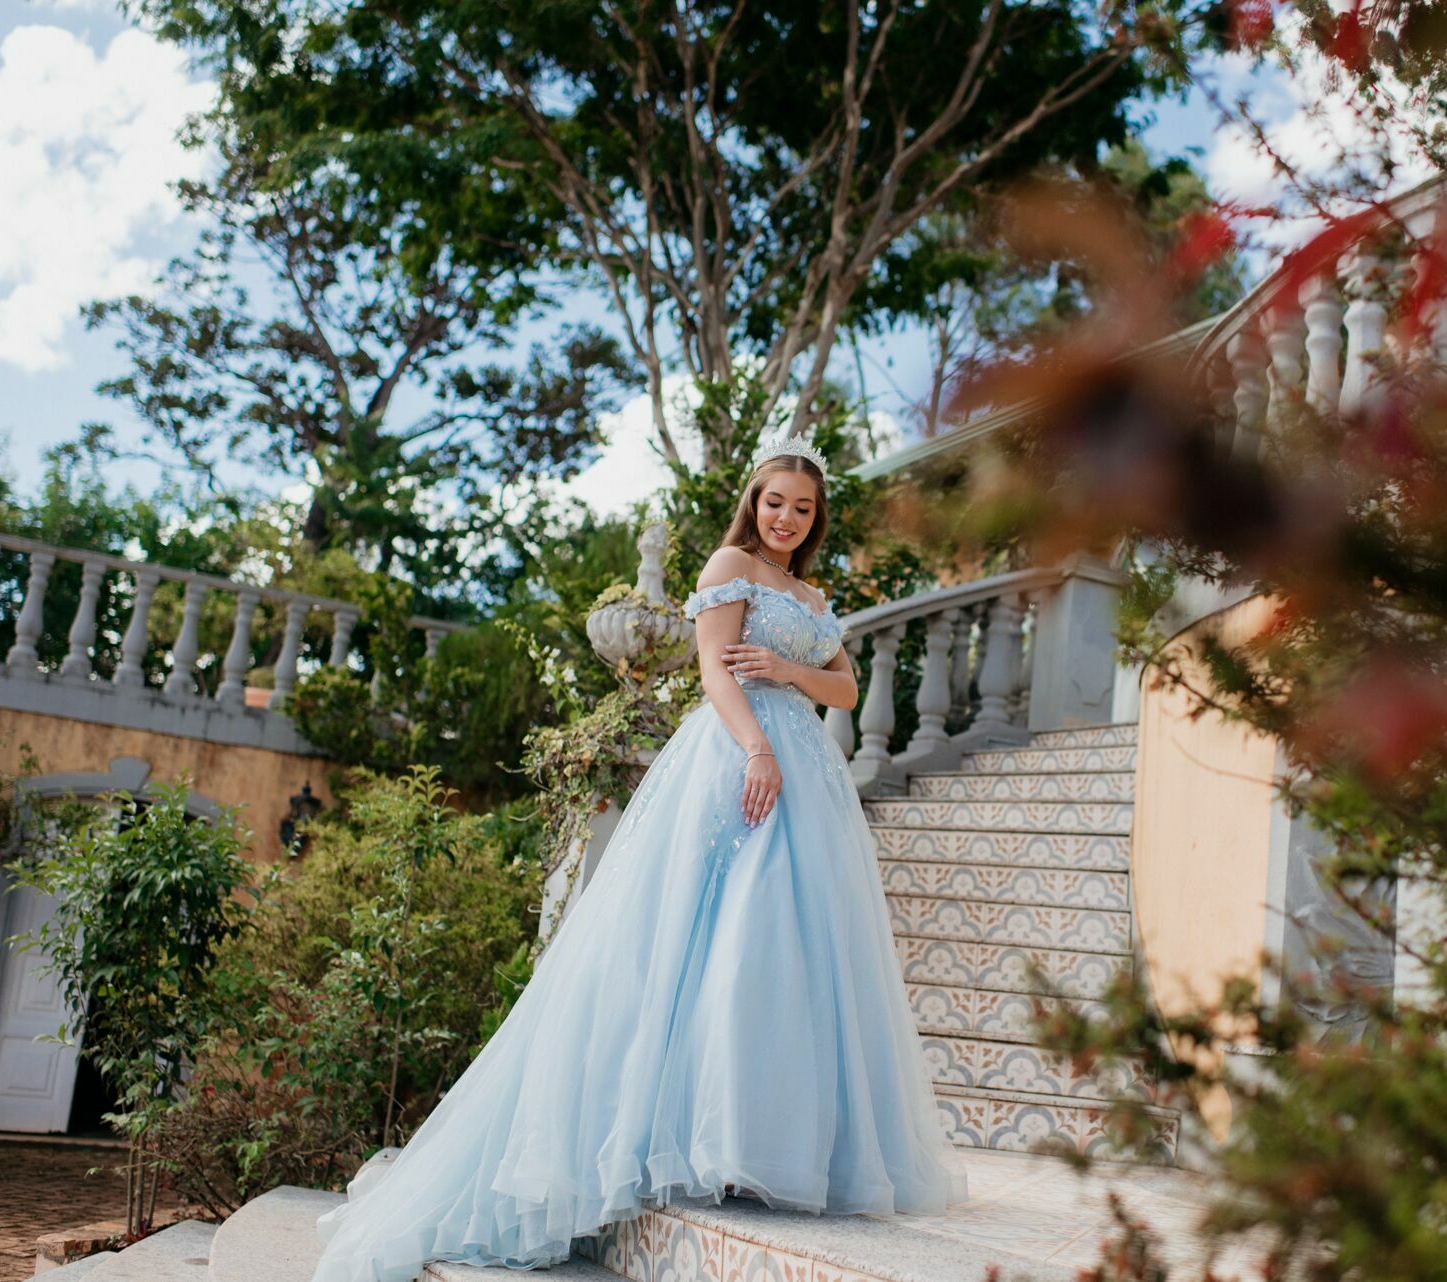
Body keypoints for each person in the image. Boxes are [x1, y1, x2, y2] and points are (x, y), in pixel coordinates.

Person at [310, 433, 968, 1282]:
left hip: (810, 773)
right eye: (775, 502)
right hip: (739, 760)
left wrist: (790, 672)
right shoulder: (726, 566)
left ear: (816, 518)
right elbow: (713, 674)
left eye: (802, 509)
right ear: (753, 501)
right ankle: (695, 1141)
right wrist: (758, 749)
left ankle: (763, 1143)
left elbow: (844, 685)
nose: (786, 518)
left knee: (784, 954)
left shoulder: (812, 593)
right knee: (712, 945)